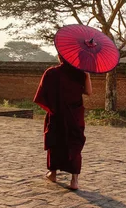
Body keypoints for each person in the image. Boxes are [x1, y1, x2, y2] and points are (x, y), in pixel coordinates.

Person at [33, 55, 92, 190]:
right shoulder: (81, 73)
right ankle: (74, 180)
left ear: (60, 57)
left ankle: (52, 173)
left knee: (55, 142)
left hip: (57, 114)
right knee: (74, 144)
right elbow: (88, 92)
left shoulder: (51, 73)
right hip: (75, 116)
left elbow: (43, 95)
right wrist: (87, 75)